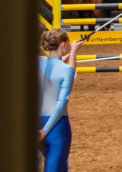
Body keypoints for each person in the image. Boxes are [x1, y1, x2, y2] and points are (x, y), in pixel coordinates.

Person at [39, 28, 82, 172]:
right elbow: (61, 102)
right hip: (56, 127)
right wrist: (74, 53)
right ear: (63, 44)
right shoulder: (66, 70)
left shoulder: (37, 62)